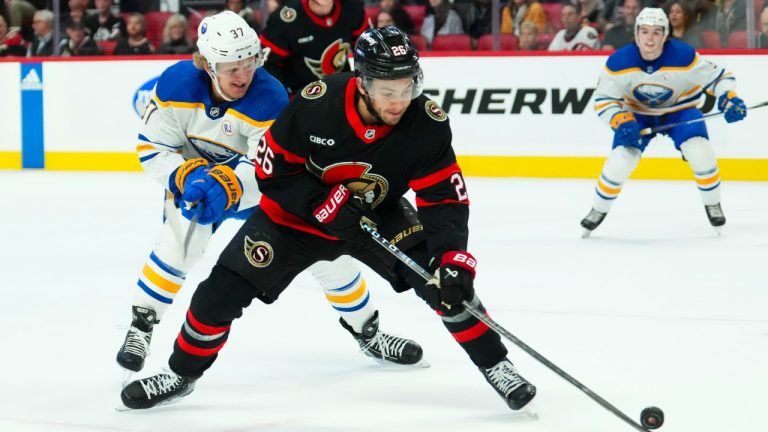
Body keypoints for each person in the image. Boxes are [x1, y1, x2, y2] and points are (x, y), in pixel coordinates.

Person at [120, 25, 537, 412]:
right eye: (387, 90)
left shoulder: (426, 123)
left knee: (444, 285)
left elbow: (444, 196)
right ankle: (181, 374)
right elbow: (270, 172)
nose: (398, 101)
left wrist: (451, 256)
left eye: (407, 87)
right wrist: (321, 202)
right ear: (363, 81)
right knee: (217, 295)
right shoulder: (317, 105)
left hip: (377, 214)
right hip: (291, 221)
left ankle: (496, 365)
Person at [117, 11, 423, 376]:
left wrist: (230, 184)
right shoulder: (174, 86)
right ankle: (141, 326)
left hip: (253, 191)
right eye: (231, 66)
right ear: (206, 64)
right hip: (195, 184)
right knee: (179, 243)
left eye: (249, 62)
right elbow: (152, 150)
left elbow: (267, 166)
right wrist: (185, 175)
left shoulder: (270, 96)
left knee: (330, 258)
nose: (243, 75)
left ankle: (368, 331)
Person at [580, 7, 747, 237]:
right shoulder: (618, 62)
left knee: (700, 152)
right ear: (636, 33)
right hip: (637, 114)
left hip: (681, 111)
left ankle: (713, 203)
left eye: (657, 32)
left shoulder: (684, 55)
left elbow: (719, 78)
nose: (650, 38)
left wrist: (729, 98)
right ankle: (597, 209)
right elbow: (603, 99)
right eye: (645, 31)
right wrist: (620, 120)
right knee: (620, 162)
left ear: (666, 35)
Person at [259, 0, 367, 96]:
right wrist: (284, 97)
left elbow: (366, 48)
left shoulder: (353, 8)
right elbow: (267, 64)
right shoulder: (284, 19)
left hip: (340, 92)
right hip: (299, 97)